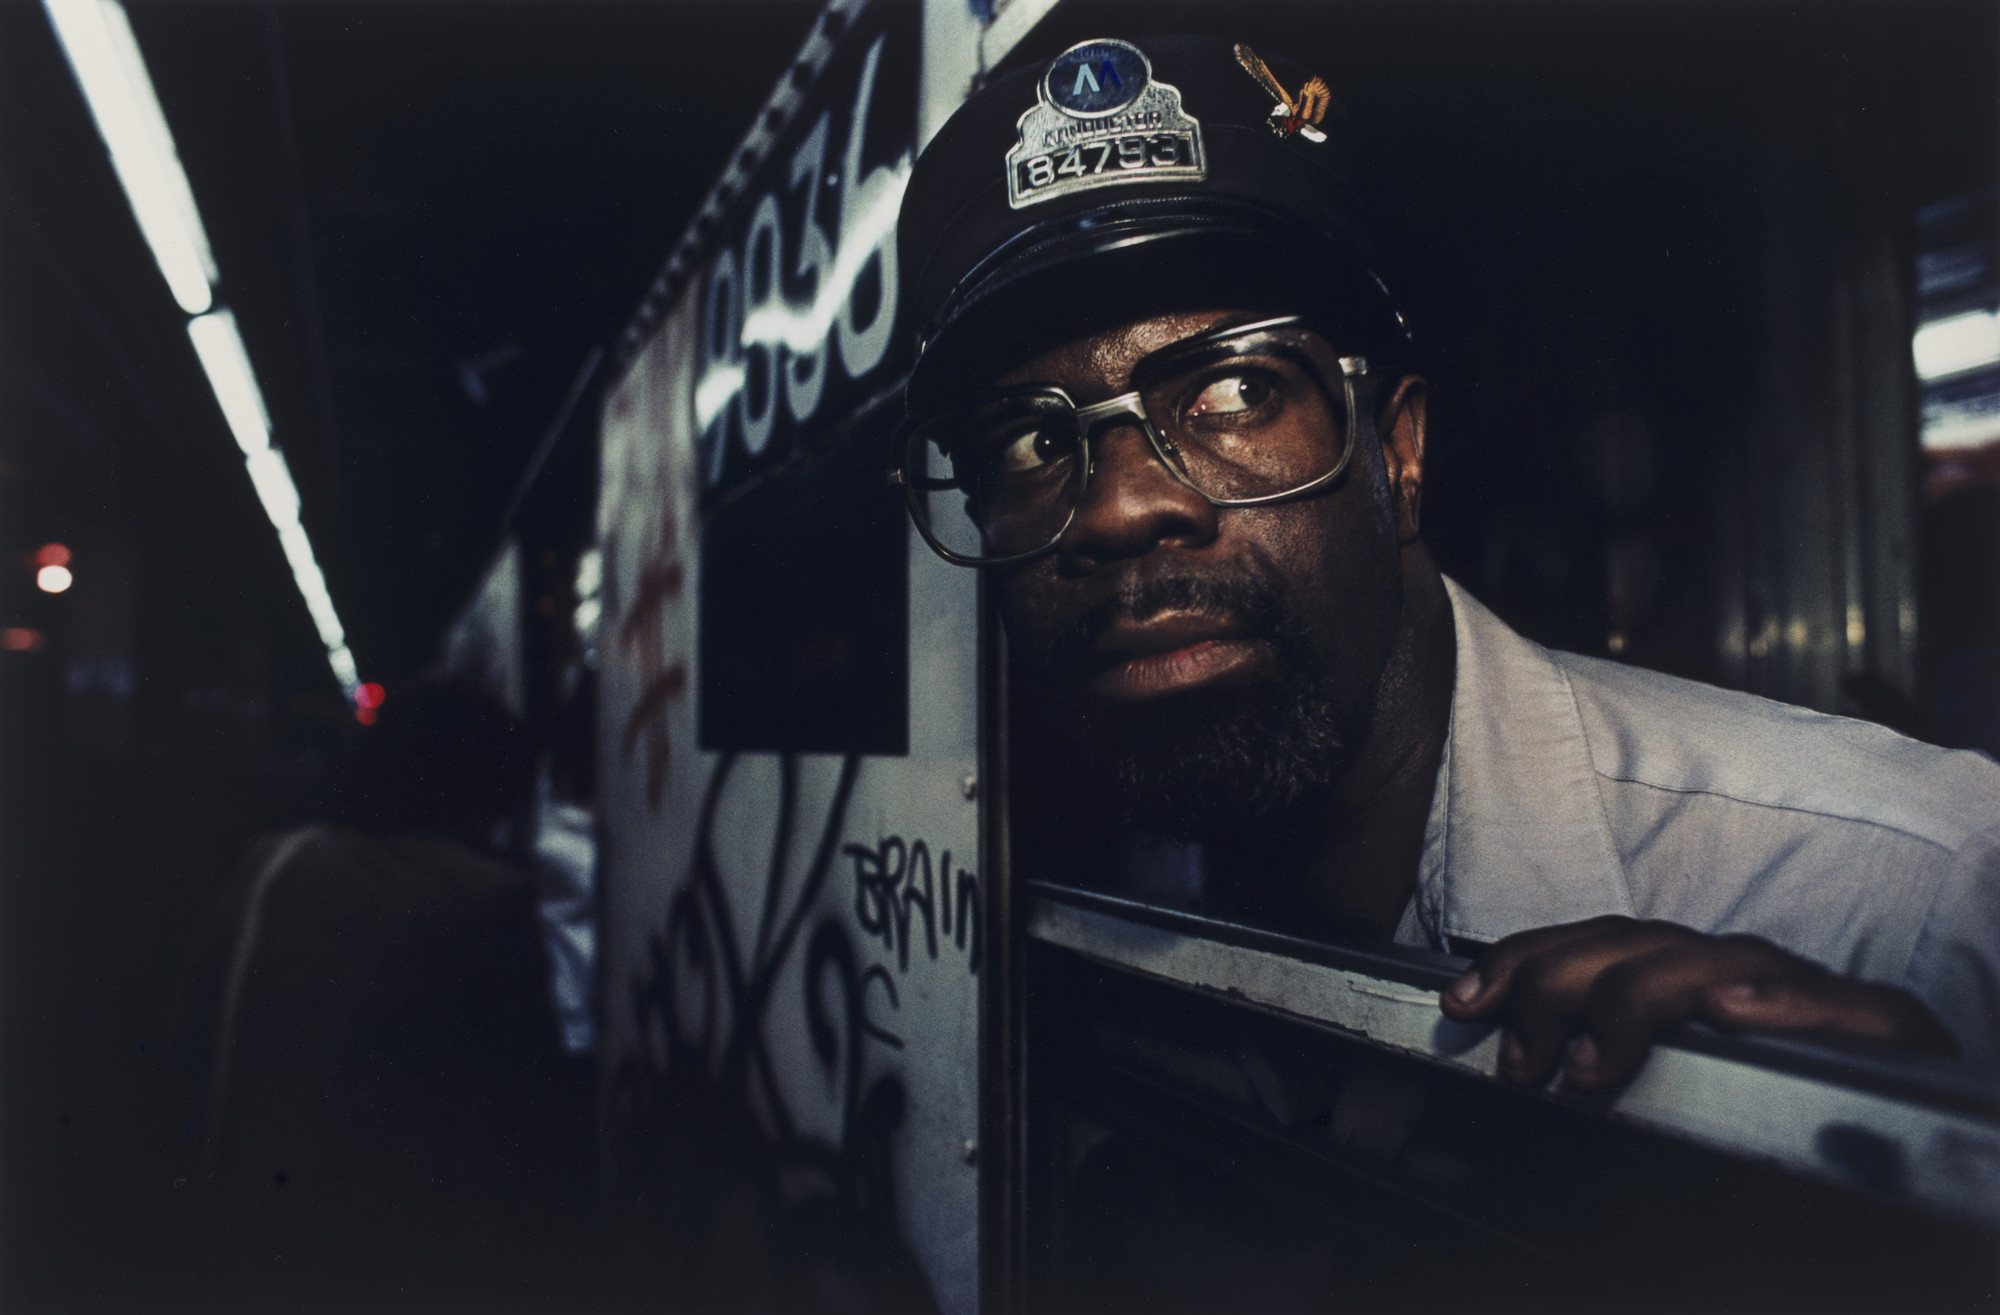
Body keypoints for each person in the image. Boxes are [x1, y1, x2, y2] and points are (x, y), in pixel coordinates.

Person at [893, 34, 2000, 1090]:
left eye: (1235, 389)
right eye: (1030, 441)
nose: (1122, 505)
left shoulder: (1899, 894)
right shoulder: (1090, 913)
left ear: (1398, 452)